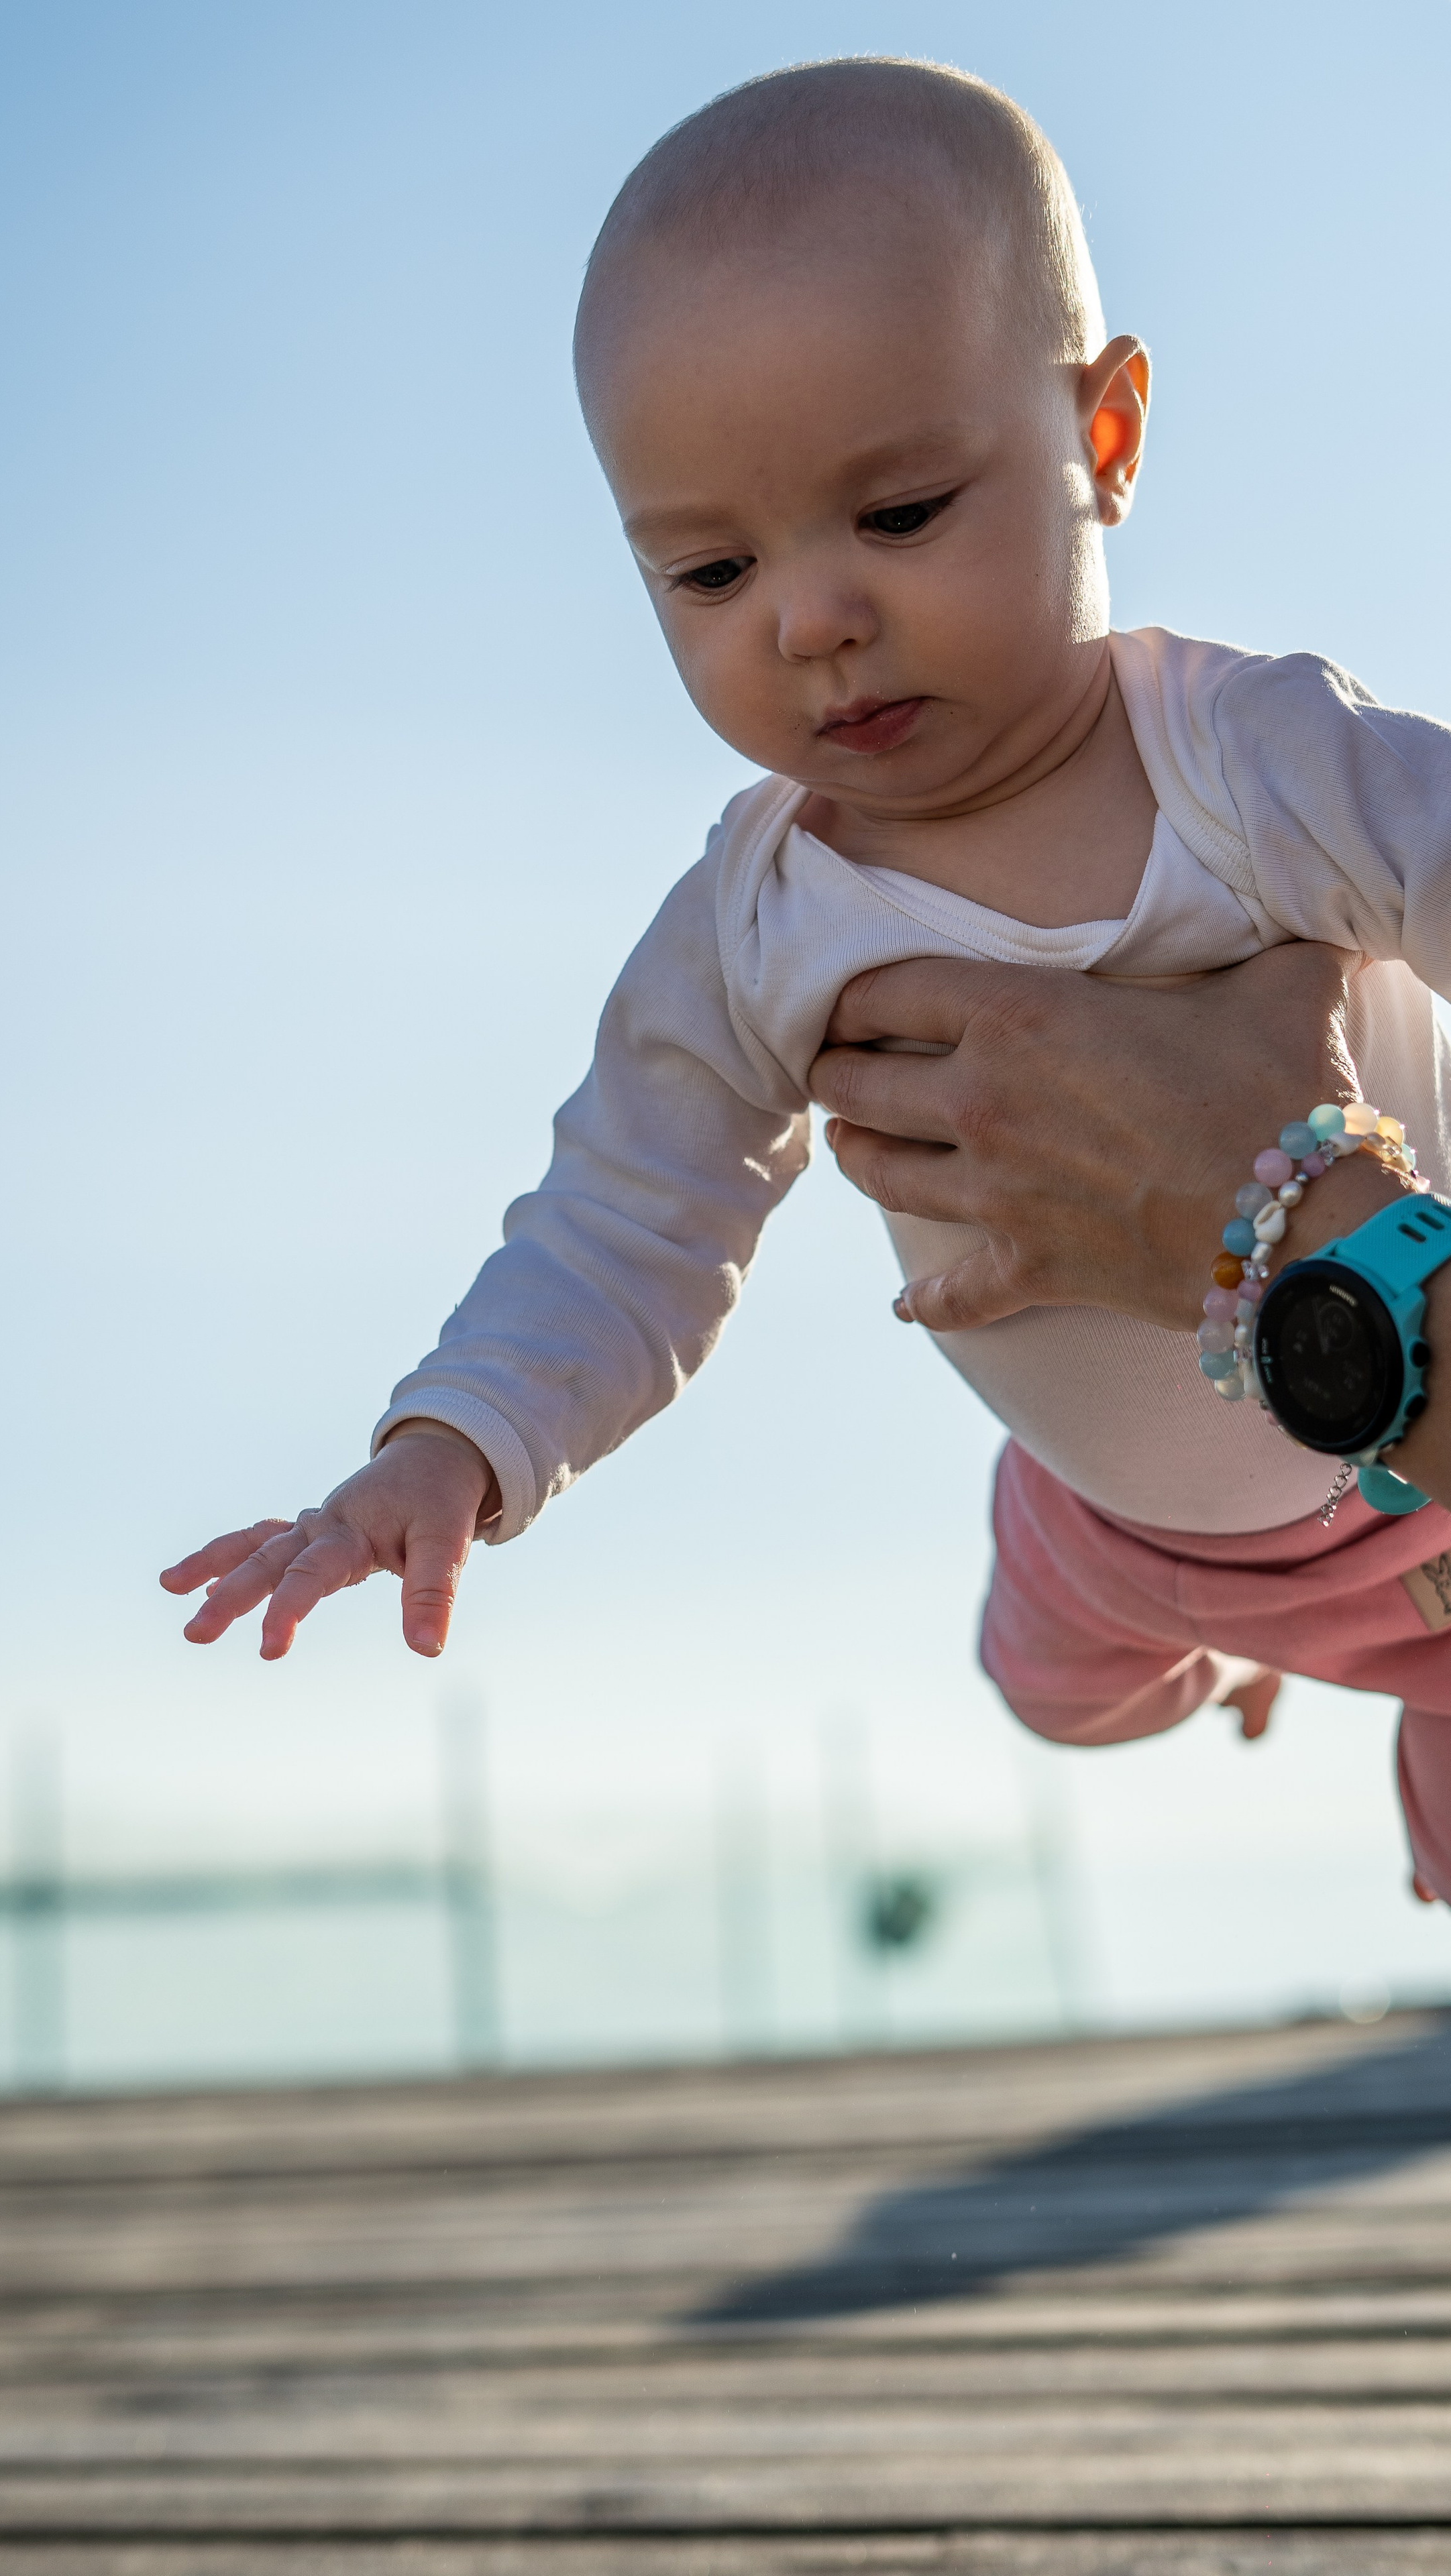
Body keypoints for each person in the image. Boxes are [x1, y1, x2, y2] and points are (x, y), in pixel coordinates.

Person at [162, 61, 1451, 1901]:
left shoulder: (1247, 761)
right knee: (1061, 1703)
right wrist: (453, 1441)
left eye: (904, 512)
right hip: (1097, 1525)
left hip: (1413, 1467)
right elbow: (623, 1213)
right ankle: (1221, 1662)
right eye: (709, 566)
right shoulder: (761, 913)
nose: (811, 616)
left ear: (1103, 440)